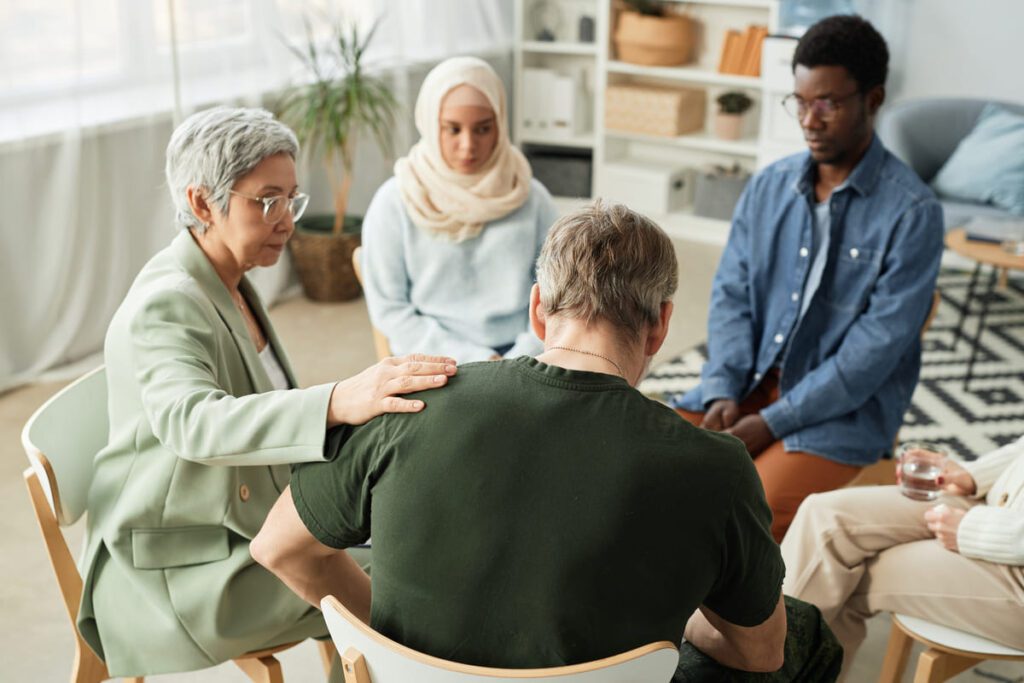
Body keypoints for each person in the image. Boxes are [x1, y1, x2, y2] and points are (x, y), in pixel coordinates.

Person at [252, 201, 843, 681]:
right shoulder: (715, 467)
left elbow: (279, 548)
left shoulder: (405, 401)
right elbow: (760, 654)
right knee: (805, 633)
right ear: (660, 324)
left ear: (538, 311)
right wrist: (685, 620)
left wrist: (397, 647)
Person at [76, 106, 457, 678]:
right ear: (203, 203)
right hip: (178, 570)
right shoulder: (167, 303)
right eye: (267, 200)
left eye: (291, 199)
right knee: (397, 591)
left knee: (409, 541)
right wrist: (336, 400)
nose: (287, 220)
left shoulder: (228, 281)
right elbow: (192, 423)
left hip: (231, 530)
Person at [672, 15, 945, 542]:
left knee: (746, 509)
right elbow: (732, 295)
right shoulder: (767, 187)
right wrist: (725, 386)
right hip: (747, 383)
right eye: (799, 101)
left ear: (874, 99)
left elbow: (870, 357)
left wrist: (774, 421)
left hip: (839, 411)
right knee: (645, 461)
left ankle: (729, 624)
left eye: (828, 103)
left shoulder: (913, 213)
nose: (809, 120)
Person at [360, 56, 558, 363]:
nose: (468, 145)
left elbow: (558, 295)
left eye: (482, 129)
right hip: (433, 357)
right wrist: (474, 359)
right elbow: (391, 310)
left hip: (525, 357)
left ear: (500, 125)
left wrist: (521, 357)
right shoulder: (395, 201)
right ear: (429, 124)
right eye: (452, 130)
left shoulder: (532, 197)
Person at [782, 438, 1024, 676]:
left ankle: (768, 666)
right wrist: (974, 475)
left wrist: (978, 530)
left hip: (1013, 562)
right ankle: (763, 662)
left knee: (847, 576)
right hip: (1002, 506)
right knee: (823, 516)